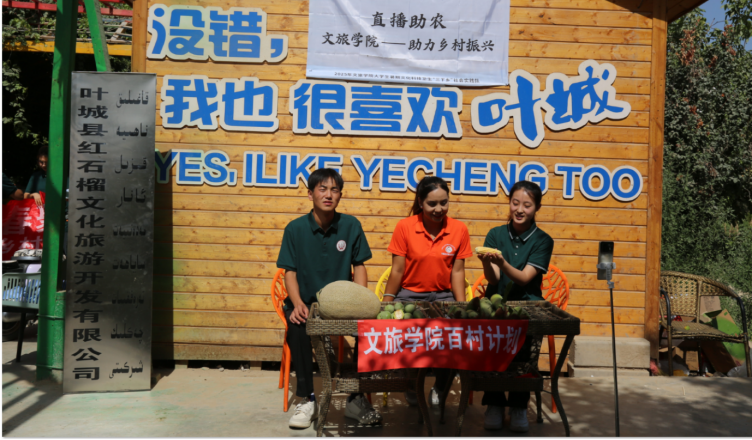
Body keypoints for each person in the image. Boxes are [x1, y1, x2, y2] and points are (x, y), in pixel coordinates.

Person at [276, 168, 382, 429]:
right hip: (305, 302)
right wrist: (297, 303)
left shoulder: (351, 225)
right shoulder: (295, 229)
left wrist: (360, 302)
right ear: (310, 194)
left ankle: (356, 399)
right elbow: (289, 272)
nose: (328, 195)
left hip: (340, 306)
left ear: (340, 195)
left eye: (334, 190)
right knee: (298, 328)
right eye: (322, 189)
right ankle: (307, 399)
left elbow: (359, 266)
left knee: (367, 330)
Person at [382, 176, 472, 407]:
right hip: (409, 295)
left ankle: (440, 387)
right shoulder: (405, 227)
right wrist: (387, 300)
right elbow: (397, 270)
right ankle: (411, 385)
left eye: (444, 202)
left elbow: (457, 272)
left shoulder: (459, 229)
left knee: (452, 338)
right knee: (406, 337)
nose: (438, 209)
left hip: (444, 296)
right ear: (420, 202)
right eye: (432, 204)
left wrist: (460, 306)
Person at [477, 180, 554, 432]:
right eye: (515, 203)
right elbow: (493, 280)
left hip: (528, 306)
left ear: (537, 208)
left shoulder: (543, 240)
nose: (520, 209)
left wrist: (501, 261)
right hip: (496, 305)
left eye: (527, 205)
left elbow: (523, 278)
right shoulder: (495, 234)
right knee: (492, 353)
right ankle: (495, 403)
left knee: (525, 356)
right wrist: (487, 263)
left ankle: (519, 405)